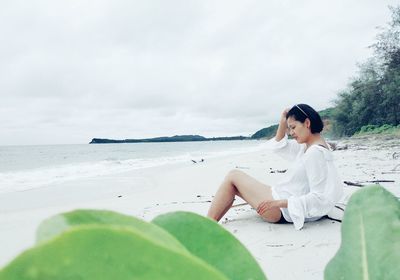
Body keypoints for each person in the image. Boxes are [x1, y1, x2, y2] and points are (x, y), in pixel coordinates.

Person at [207, 104, 343, 230]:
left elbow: (318, 197)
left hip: (282, 210)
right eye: (289, 128)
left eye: (293, 127)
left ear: (307, 123)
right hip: (280, 199)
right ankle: (209, 224)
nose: (290, 133)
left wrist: (279, 203)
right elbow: (279, 146)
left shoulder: (315, 153)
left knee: (233, 176)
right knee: (233, 184)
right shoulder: (307, 147)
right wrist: (283, 122)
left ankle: (206, 226)